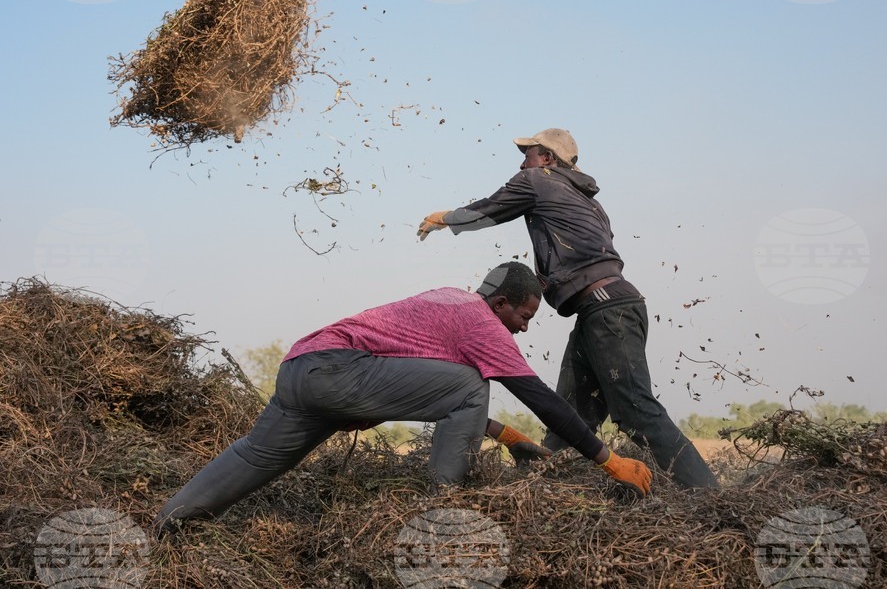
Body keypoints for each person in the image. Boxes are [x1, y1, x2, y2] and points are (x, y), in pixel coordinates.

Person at [154, 262, 651, 531]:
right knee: (472, 386)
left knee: (255, 456)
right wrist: (608, 460)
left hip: (301, 369)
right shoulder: (482, 322)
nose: (521, 330)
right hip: (338, 370)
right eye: (523, 317)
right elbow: (541, 397)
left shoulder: (448, 299)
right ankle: (441, 514)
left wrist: (506, 436)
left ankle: (166, 524)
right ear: (501, 303)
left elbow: (422, 394)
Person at [418, 128, 719, 489]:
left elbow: (489, 211)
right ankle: (542, 489)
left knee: (635, 410)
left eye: (528, 154)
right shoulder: (590, 201)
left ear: (546, 159)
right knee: (570, 415)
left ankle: (708, 495)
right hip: (605, 309)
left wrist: (445, 218)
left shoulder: (537, 179)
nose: (522, 161)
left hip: (608, 311)